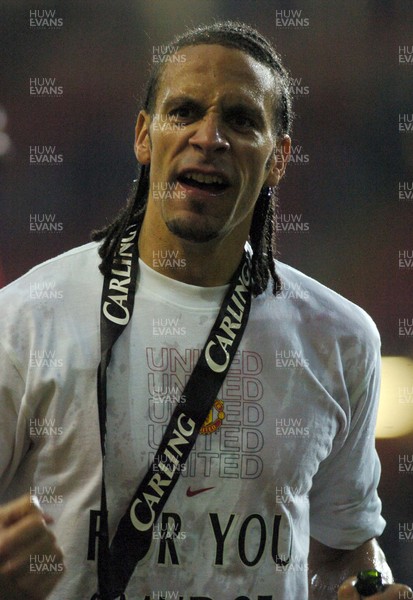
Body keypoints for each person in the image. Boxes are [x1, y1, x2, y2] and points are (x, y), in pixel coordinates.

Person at [0, 21, 410, 600]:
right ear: (144, 136)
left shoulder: (340, 338)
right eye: (184, 111)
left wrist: (371, 586)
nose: (209, 136)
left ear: (279, 159)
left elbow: (347, 549)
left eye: (241, 119)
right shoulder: (24, 320)